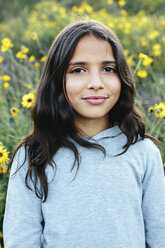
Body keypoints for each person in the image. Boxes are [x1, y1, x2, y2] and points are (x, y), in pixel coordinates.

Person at [3, 19, 165, 248]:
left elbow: (160, 238)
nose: (96, 83)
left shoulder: (143, 153)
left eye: (108, 69)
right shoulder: (33, 156)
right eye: (78, 70)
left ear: (123, 77)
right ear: (58, 80)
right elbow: (20, 242)